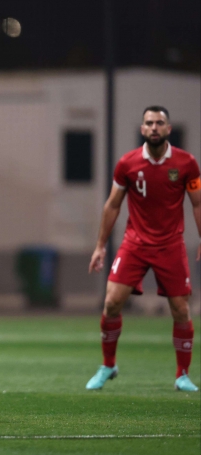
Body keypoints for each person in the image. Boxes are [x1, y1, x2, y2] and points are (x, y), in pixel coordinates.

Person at [86, 106, 201, 392]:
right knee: (112, 302)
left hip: (171, 245)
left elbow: (197, 202)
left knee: (180, 309)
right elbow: (113, 204)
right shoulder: (127, 163)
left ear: (168, 129)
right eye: (149, 123)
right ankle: (108, 365)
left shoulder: (187, 164)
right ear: (142, 129)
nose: (153, 127)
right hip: (135, 243)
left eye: (159, 123)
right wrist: (100, 246)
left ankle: (182, 375)